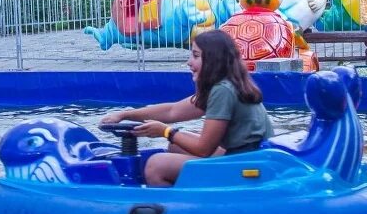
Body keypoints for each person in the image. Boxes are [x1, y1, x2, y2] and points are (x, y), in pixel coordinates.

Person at [101, 30, 274, 187]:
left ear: (213, 60)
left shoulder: (223, 90)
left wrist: (166, 132)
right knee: (176, 147)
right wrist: (124, 115)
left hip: (247, 164)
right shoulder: (227, 83)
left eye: (196, 56)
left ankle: (178, 211)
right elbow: (172, 111)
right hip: (248, 156)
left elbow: (203, 148)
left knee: (155, 166)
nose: (189, 62)